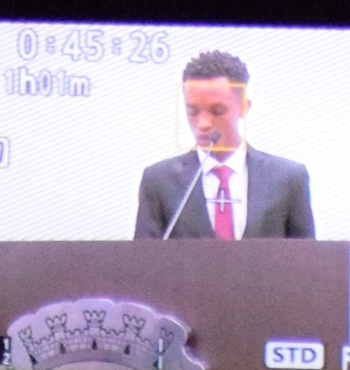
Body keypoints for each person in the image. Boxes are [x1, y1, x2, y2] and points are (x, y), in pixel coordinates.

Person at [134, 53, 316, 241]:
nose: (203, 123)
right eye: (193, 112)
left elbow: (306, 254)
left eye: (217, 111)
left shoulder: (288, 178)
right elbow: (143, 256)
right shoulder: (159, 180)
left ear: (244, 107)